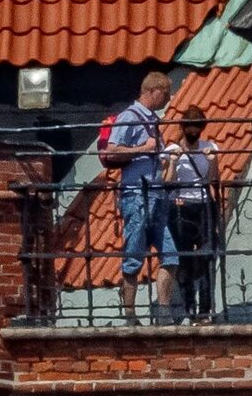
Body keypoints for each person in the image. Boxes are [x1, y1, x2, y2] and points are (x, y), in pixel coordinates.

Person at [106, 71, 178, 325]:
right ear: (152, 91)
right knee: (134, 253)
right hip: (136, 194)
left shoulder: (153, 122)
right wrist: (142, 150)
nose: (168, 99)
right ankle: (130, 314)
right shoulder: (129, 117)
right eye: (165, 94)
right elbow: (111, 152)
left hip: (157, 196)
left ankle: (164, 312)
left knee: (170, 255)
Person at [164, 105, 219, 325]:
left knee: (205, 257)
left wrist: (213, 161)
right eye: (190, 127)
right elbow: (167, 182)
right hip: (181, 205)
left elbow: (213, 180)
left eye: (198, 128)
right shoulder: (171, 149)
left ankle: (205, 310)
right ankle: (189, 309)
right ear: (184, 128)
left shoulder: (210, 147)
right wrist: (174, 162)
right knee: (184, 259)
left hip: (203, 205)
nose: (194, 132)